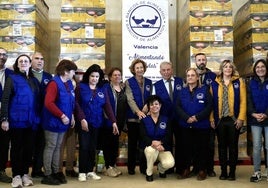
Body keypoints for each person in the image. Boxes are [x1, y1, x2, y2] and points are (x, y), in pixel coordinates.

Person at [1, 54, 40, 187]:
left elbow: (38, 101)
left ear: (30, 64)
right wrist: (4, 119)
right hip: (16, 120)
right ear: (17, 65)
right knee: (17, 148)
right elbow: (5, 99)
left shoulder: (34, 81)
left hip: (32, 121)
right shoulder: (12, 78)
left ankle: (24, 174)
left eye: (26, 61)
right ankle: (16, 175)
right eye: (20, 61)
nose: (23, 63)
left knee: (28, 149)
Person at [75, 64, 118, 182]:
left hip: (97, 122)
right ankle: (82, 171)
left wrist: (113, 121)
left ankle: (90, 170)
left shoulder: (102, 89)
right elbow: (76, 104)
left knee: (92, 147)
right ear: (88, 76)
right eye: (92, 76)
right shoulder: (81, 87)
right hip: (84, 122)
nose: (94, 79)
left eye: (97, 77)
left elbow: (107, 106)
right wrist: (82, 118)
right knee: (84, 146)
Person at [41, 59, 77, 185]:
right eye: (73, 71)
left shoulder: (69, 84)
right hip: (52, 121)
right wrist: (62, 115)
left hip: (64, 122)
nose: (74, 74)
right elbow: (48, 103)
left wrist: (71, 115)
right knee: (51, 147)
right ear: (66, 71)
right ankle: (47, 174)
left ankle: (56, 171)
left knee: (57, 147)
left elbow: (71, 101)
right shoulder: (54, 83)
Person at [210, 60, 246, 181]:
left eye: (230, 67)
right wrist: (211, 118)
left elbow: (243, 101)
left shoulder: (238, 81)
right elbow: (211, 103)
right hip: (220, 120)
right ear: (222, 69)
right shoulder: (214, 83)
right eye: (225, 67)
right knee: (221, 146)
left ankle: (232, 172)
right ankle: (223, 171)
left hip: (233, 119)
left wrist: (241, 118)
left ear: (233, 69)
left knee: (233, 146)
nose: (228, 69)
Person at [175, 68, 213, 181]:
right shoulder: (182, 91)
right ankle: (186, 169)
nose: (190, 77)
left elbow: (209, 106)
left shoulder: (205, 89)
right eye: (188, 76)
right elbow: (177, 107)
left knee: (201, 149)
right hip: (186, 125)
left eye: (192, 75)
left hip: (201, 125)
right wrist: (187, 118)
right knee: (186, 148)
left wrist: (197, 117)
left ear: (197, 77)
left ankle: (201, 170)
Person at [152, 61, 184, 174]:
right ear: (160, 72)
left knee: (181, 143)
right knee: (167, 142)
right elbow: (154, 104)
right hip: (165, 120)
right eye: (164, 70)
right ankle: (168, 167)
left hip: (181, 118)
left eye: (168, 69)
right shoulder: (156, 85)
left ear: (172, 70)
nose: (166, 72)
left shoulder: (181, 82)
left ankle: (181, 168)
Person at [125, 59, 152, 175]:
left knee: (144, 143)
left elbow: (151, 97)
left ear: (144, 68)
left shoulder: (149, 82)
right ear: (133, 70)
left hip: (146, 118)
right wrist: (138, 111)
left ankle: (143, 167)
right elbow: (129, 99)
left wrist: (147, 107)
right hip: (132, 118)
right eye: (137, 68)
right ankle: (131, 167)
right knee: (132, 143)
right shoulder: (128, 82)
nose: (140, 69)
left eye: (141, 67)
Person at [140, 95, 175, 182]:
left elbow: (169, 135)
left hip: (162, 147)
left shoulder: (166, 119)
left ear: (160, 105)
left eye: (156, 104)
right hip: (149, 148)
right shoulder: (144, 120)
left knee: (170, 163)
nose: (154, 106)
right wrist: (153, 143)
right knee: (151, 150)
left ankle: (161, 169)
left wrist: (161, 143)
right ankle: (149, 173)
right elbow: (143, 136)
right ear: (148, 107)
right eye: (151, 105)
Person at [194, 53, 217, 177]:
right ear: (195, 61)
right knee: (197, 144)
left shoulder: (213, 76)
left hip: (209, 114)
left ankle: (210, 168)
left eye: (203, 59)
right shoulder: (191, 75)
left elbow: (215, 98)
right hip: (195, 115)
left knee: (210, 143)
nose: (201, 61)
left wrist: (212, 116)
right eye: (199, 60)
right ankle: (197, 168)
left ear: (206, 61)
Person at [31, 52, 53, 178]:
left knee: (41, 144)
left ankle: (37, 170)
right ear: (31, 60)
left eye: (42, 59)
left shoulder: (48, 76)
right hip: (29, 116)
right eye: (37, 58)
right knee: (29, 143)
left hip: (44, 116)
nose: (40, 61)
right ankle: (23, 171)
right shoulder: (26, 75)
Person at [102, 67, 127, 177]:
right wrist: (111, 120)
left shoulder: (123, 88)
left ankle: (113, 164)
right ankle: (108, 167)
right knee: (108, 144)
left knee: (115, 144)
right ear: (110, 77)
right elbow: (104, 105)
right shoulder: (106, 88)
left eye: (119, 75)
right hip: (109, 122)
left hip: (120, 121)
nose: (117, 77)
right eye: (115, 75)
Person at [247, 59, 268, 182]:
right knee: (256, 146)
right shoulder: (251, 83)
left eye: (263, 67)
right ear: (255, 69)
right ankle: (257, 172)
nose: (260, 69)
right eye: (258, 67)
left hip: (267, 118)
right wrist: (254, 114)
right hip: (255, 120)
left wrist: (265, 114)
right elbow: (248, 100)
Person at [58, 76, 79, 178]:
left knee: (71, 145)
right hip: (62, 119)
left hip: (73, 121)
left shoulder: (74, 88)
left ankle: (70, 168)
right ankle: (58, 170)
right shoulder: (58, 84)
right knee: (60, 146)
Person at [0, 47, 13, 183]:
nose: (2, 57)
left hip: (6, 114)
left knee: (3, 144)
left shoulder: (11, 73)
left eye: (4, 54)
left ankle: (1, 170)